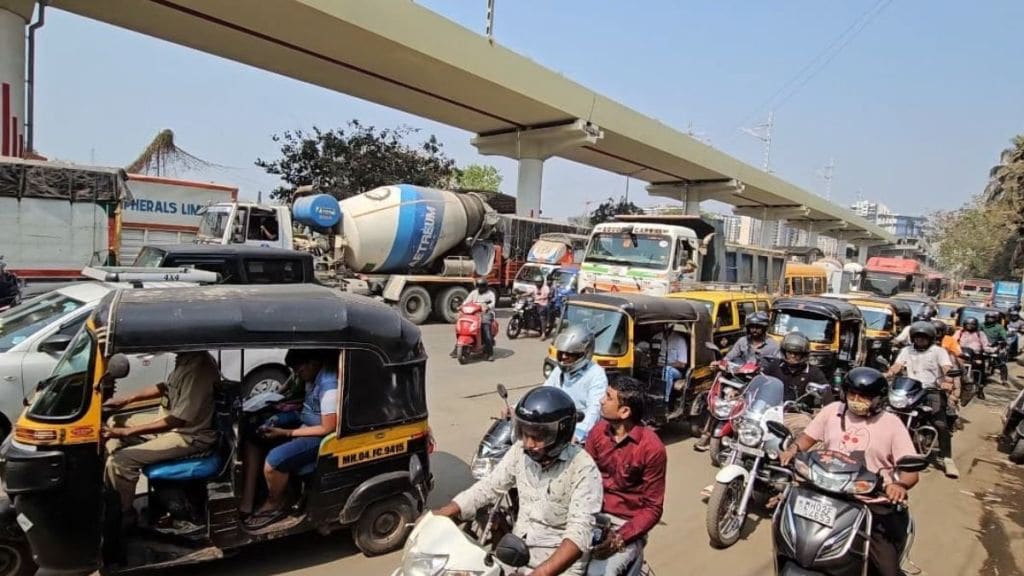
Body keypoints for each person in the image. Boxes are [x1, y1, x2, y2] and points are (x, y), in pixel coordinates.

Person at [435, 387, 603, 576]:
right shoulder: (519, 452)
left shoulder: (583, 469)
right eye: (525, 434)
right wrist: (442, 514)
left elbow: (578, 536)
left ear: (561, 434)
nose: (529, 443)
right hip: (515, 554)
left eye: (538, 437)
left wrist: (539, 574)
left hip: (558, 567)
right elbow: (489, 486)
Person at [780, 367, 921, 576]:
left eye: (863, 397)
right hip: (823, 490)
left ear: (877, 399)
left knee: (887, 570)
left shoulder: (892, 424)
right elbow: (808, 438)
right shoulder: (832, 411)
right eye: (852, 394)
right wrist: (793, 449)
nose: (856, 400)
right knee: (786, 525)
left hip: (868, 500)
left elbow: (911, 470)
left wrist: (898, 485)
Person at [103, 351, 221, 528]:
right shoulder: (185, 359)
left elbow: (177, 420)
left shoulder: (199, 368)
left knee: (121, 461)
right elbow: (167, 387)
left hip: (189, 435)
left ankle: (124, 515)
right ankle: (118, 488)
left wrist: (125, 432)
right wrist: (128, 399)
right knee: (114, 422)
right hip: (172, 424)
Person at [242, 349, 338, 528]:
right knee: (254, 433)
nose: (298, 375)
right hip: (304, 420)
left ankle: (276, 502)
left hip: (321, 435)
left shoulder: (328, 385)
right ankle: (249, 495)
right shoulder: (312, 377)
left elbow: (327, 427)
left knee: (273, 462)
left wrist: (285, 433)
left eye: (300, 371)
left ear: (312, 363)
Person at [584, 377, 666, 576]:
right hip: (591, 516)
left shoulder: (652, 448)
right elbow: (583, 478)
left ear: (624, 412)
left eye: (608, 397)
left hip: (625, 525)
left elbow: (653, 508)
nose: (602, 400)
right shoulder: (597, 433)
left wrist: (620, 538)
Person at [884, 321, 958, 478]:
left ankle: (946, 458)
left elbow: (946, 368)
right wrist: (888, 374)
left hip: (932, 390)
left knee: (940, 424)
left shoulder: (938, 351)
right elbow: (897, 366)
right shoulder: (906, 350)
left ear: (930, 338)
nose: (920, 340)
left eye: (923, 338)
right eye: (917, 337)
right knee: (890, 414)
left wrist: (948, 381)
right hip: (911, 389)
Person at [543, 324, 609, 443]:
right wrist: (517, 407)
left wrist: (578, 434)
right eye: (562, 352)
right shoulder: (559, 370)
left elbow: (594, 409)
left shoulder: (596, 374)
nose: (563, 357)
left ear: (584, 353)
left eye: (570, 354)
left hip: (576, 433)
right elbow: (544, 392)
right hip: (554, 427)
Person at [763, 332, 832, 437]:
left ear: (804, 354)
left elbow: (826, 392)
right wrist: (740, 392)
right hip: (770, 410)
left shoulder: (814, 372)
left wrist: (825, 412)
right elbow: (760, 380)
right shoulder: (775, 366)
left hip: (797, 415)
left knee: (805, 436)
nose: (792, 356)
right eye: (789, 352)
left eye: (797, 353)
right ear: (784, 351)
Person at [454, 278, 497, 361]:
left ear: (486, 287)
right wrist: (461, 307)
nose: (480, 289)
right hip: (473, 313)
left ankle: (489, 353)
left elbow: (492, 303)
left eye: (482, 287)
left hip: (486, 313)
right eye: (479, 287)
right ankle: (457, 348)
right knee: (463, 326)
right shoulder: (474, 293)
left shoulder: (490, 294)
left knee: (485, 328)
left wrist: (487, 306)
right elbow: (466, 301)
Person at [658, 327, 689, 403]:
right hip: (660, 367)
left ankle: (665, 400)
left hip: (678, 372)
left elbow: (682, 364)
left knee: (668, 370)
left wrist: (666, 364)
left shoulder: (679, 341)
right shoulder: (661, 339)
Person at [982, 311, 1009, 384]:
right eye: (988, 318)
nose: (990, 319)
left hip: (995, 346)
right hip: (983, 345)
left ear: (995, 319)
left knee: (1001, 362)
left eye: (992, 318)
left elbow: (1004, 335)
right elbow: (977, 332)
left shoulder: (999, 327)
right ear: (986, 318)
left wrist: (1003, 340)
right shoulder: (981, 325)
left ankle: (1004, 379)